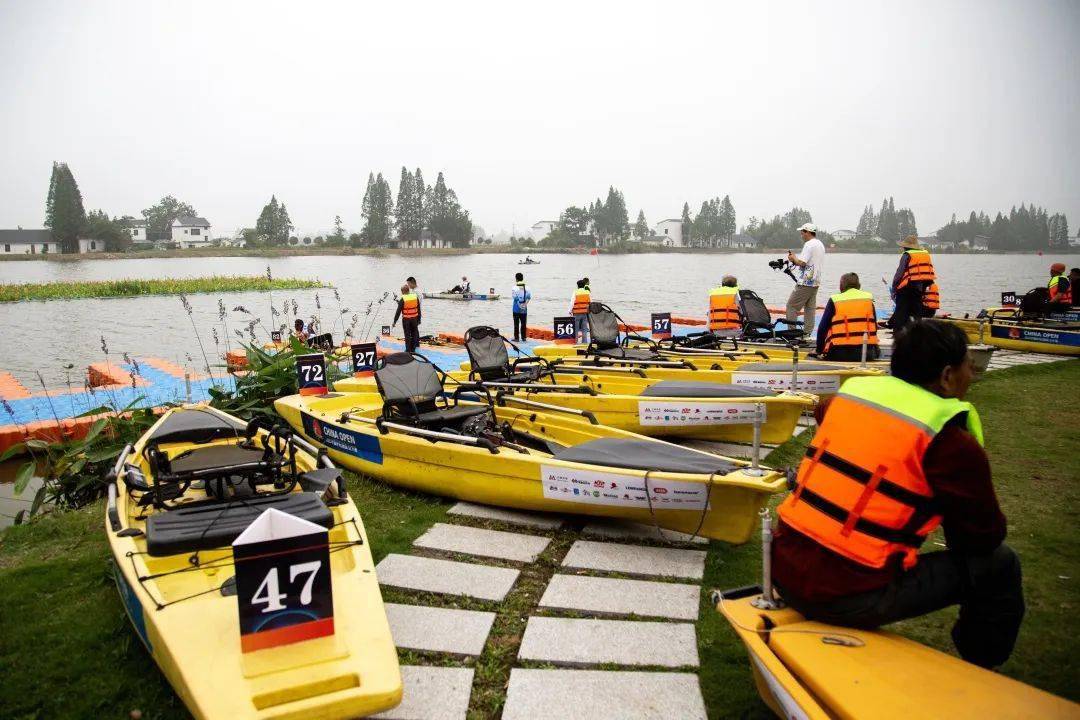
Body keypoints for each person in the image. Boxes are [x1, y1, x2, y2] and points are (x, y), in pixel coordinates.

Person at [772, 319, 1023, 669]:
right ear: (947, 376)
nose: (973, 373)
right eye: (970, 365)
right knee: (1000, 564)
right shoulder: (951, 444)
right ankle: (981, 665)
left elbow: (823, 412)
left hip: (782, 568)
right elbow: (982, 538)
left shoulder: (843, 401)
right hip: (846, 594)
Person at [815, 272, 880, 361]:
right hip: (867, 354)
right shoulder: (868, 299)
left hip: (839, 353)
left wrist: (819, 350)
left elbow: (822, 328)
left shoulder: (835, 300)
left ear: (841, 286)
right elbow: (874, 327)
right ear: (859, 286)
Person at [785, 223, 825, 338]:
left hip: (806, 282)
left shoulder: (809, 244)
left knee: (791, 306)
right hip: (816, 281)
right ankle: (806, 334)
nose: (801, 234)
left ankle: (791, 334)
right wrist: (796, 260)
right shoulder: (820, 244)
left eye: (802, 232)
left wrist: (793, 258)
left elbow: (802, 263)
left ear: (807, 232)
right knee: (810, 309)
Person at [889, 235, 936, 329]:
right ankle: (918, 330)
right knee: (917, 310)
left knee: (901, 309)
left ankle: (897, 332)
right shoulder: (925, 254)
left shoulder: (907, 255)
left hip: (906, 287)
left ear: (906, 247)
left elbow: (899, 273)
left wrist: (894, 288)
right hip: (920, 287)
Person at [393, 282, 421, 353]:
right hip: (414, 319)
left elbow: (398, 312)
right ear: (408, 290)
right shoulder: (415, 297)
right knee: (414, 333)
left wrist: (394, 321)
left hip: (406, 320)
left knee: (407, 334)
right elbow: (418, 309)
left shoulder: (403, 299)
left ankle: (408, 350)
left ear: (403, 291)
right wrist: (419, 319)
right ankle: (414, 349)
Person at [511, 272, 531, 341]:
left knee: (516, 323)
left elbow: (515, 298)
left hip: (516, 308)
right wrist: (524, 305)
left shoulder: (514, 287)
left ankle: (516, 338)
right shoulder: (527, 287)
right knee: (523, 323)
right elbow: (529, 297)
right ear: (522, 278)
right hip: (524, 309)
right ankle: (524, 337)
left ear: (516, 279)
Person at [571, 278, 591, 343]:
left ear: (578, 286)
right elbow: (591, 302)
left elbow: (572, 302)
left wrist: (570, 311)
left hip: (576, 313)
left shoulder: (575, 292)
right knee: (584, 328)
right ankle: (584, 343)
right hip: (585, 312)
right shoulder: (587, 292)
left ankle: (576, 342)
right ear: (584, 285)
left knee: (576, 328)